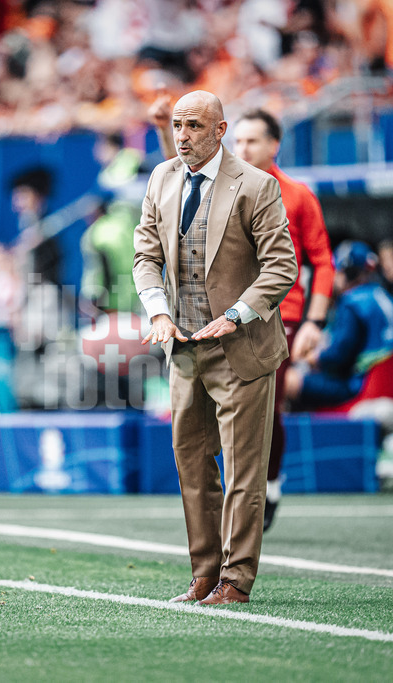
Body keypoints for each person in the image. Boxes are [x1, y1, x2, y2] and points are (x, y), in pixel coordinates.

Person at [133, 90, 297, 605]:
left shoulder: (257, 186)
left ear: (220, 130)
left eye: (194, 126)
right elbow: (144, 252)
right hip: (183, 348)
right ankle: (203, 574)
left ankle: (236, 578)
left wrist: (235, 316)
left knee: (244, 472)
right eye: (177, 125)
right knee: (191, 466)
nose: (182, 135)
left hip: (241, 347)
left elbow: (282, 266)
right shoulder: (161, 178)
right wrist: (158, 310)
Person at [231, 108, 335, 532]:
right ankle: (238, 490)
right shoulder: (220, 191)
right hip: (227, 315)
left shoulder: (297, 195)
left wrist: (315, 321)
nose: (242, 149)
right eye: (237, 141)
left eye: (252, 141)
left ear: (274, 145)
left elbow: (323, 262)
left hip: (281, 315)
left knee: (266, 407)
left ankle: (269, 485)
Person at [286, 241, 393, 411]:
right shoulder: (383, 296)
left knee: (288, 380)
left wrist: (312, 359)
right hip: (388, 388)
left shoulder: (352, 302)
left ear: (348, 272)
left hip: (358, 388)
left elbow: (339, 355)